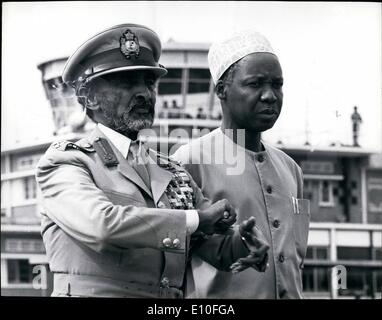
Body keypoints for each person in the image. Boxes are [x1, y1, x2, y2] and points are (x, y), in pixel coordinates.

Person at [36, 24, 269, 298]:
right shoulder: (66, 161)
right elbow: (102, 225)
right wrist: (196, 218)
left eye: (148, 82)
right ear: (89, 98)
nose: (144, 93)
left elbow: (215, 246)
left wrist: (243, 242)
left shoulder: (171, 170)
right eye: (126, 82)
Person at [173, 30, 311, 299]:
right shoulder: (188, 161)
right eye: (255, 84)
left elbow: (296, 254)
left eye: (277, 84)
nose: (270, 95)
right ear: (222, 91)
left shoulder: (292, 169)